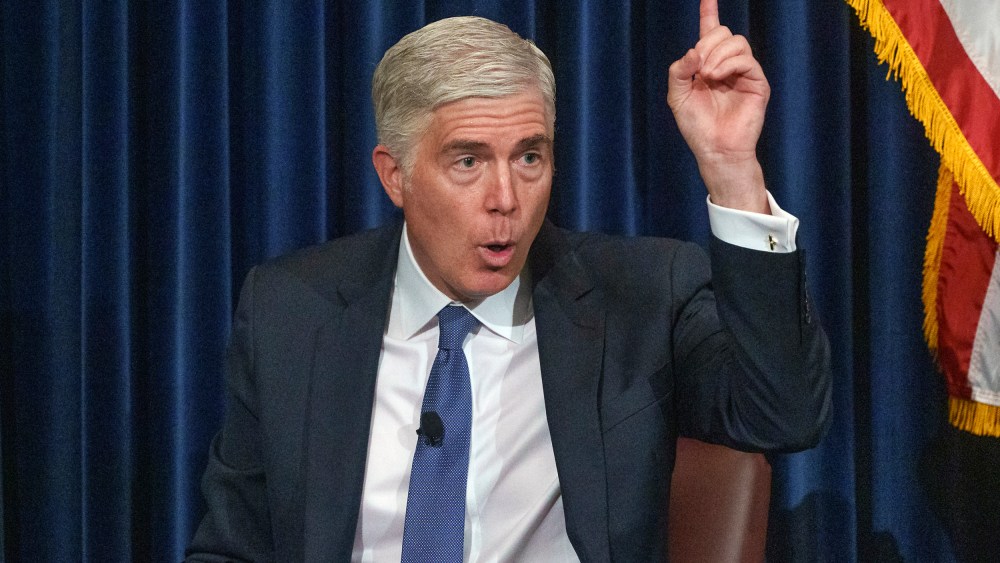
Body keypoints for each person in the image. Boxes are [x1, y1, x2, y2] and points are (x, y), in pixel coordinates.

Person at [186, 3, 831, 561]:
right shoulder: (290, 313)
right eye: (468, 161)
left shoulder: (640, 297)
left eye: (530, 157)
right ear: (395, 176)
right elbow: (233, 547)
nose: (506, 199)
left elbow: (783, 413)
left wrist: (731, 171)